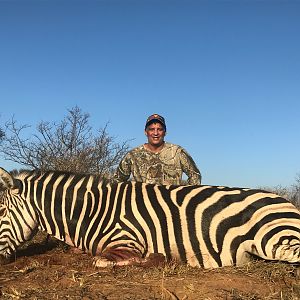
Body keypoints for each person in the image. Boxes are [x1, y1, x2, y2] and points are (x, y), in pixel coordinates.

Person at [113, 113, 201, 185]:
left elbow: (195, 175)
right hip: (142, 205)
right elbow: (117, 180)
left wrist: (184, 198)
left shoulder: (178, 152)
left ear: (165, 132)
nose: (155, 133)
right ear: (145, 132)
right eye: (151, 129)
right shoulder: (132, 155)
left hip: (171, 205)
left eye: (159, 129)